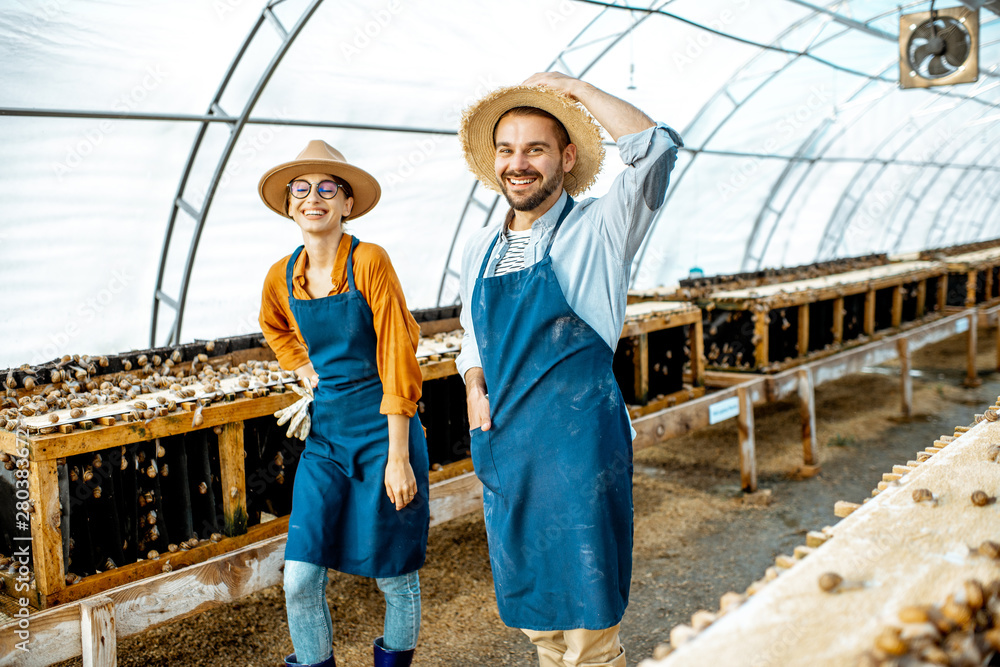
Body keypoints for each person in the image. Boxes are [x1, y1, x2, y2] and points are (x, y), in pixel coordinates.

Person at [455, 73, 683, 667]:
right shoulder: (480, 247)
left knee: (587, 624)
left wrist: (570, 87)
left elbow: (656, 149)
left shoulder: (602, 229)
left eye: (535, 148)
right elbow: (472, 337)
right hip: (509, 446)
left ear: (568, 156)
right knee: (540, 622)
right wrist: (475, 386)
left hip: (579, 447)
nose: (518, 163)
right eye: (507, 150)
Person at [257, 140, 429, 667]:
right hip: (327, 438)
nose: (315, 198)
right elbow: (275, 327)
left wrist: (398, 457)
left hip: (384, 432)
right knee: (301, 578)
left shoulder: (370, 261)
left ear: (346, 204)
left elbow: (399, 353)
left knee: (394, 576)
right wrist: (306, 372)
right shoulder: (282, 277)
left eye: (328, 189)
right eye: (302, 189)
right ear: (290, 205)